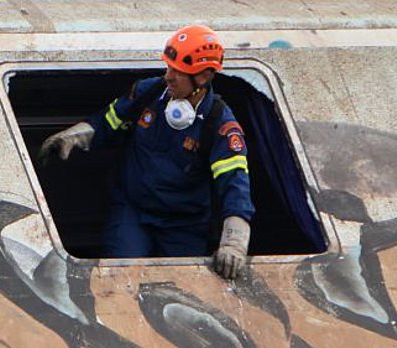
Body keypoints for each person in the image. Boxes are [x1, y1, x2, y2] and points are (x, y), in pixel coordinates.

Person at [39, 24, 255, 279]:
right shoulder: (147, 94)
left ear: (204, 77)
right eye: (168, 67)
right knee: (120, 280)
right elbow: (106, 124)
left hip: (183, 225)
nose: (169, 77)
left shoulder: (220, 126)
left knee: (181, 290)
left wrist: (233, 244)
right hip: (133, 214)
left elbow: (235, 185)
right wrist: (71, 138)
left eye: (178, 71)